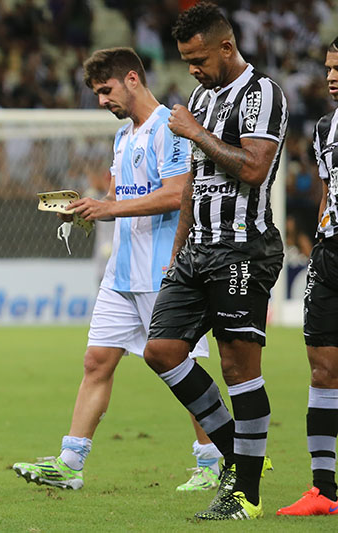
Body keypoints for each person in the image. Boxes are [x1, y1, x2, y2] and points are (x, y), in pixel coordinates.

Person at [12, 47, 219, 493]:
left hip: (166, 271)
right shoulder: (124, 136)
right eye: (97, 94)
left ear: (131, 78)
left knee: (183, 368)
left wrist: (108, 209)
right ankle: (71, 463)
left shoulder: (170, 127)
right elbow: (115, 200)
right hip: (122, 272)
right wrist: (84, 211)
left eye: (106, 91)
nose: (102, 101)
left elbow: (177, 194)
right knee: (96, 361)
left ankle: (213, 461)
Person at [142, 2, 287, 520]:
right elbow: (192, 188)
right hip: (198, 248)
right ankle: (242, 455)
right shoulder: (201, 98)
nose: (193, 70)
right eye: (186, 61)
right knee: (160, 350)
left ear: (227, 46)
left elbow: (252, 168)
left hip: (243, 248)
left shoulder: (262, 94)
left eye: (199, 58)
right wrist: (176, 253)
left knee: (237, 366)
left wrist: (195, 133)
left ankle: (245, 494)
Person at [277, 37, 338, 517]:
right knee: (321, 367)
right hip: (331, 256)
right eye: (329, 67)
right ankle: (323, 489)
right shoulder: (323, 127)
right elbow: (326, 190)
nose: (331, 76)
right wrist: (319, 243)